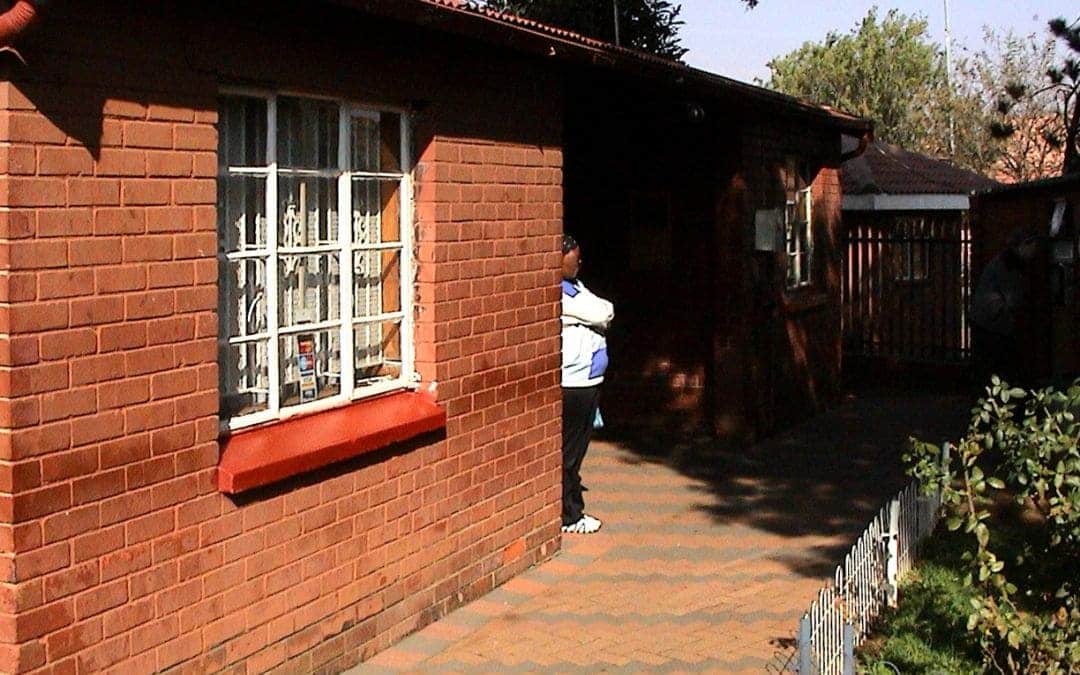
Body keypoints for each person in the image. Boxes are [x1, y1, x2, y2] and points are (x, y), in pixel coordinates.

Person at [560, 234, 613, 534]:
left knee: (575, 451)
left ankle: (571, 507)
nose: (579, 262)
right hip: (575, 382)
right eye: (574, 257)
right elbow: (601, 312)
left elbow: (605, 308)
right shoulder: (561, 293)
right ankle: (570, 515)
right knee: (570, 453)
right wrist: (592, 318)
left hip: (588, 379)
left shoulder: (576, 287)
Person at [971, 228, 1040, 387]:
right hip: (993, 323)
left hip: (988, 322)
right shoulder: (1008, 266)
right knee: (1001, 366)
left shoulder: (1004, 262)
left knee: (993, 367)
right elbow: (1012, 299)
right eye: (1032, 246)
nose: (1034, 251)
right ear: (1022, 246)